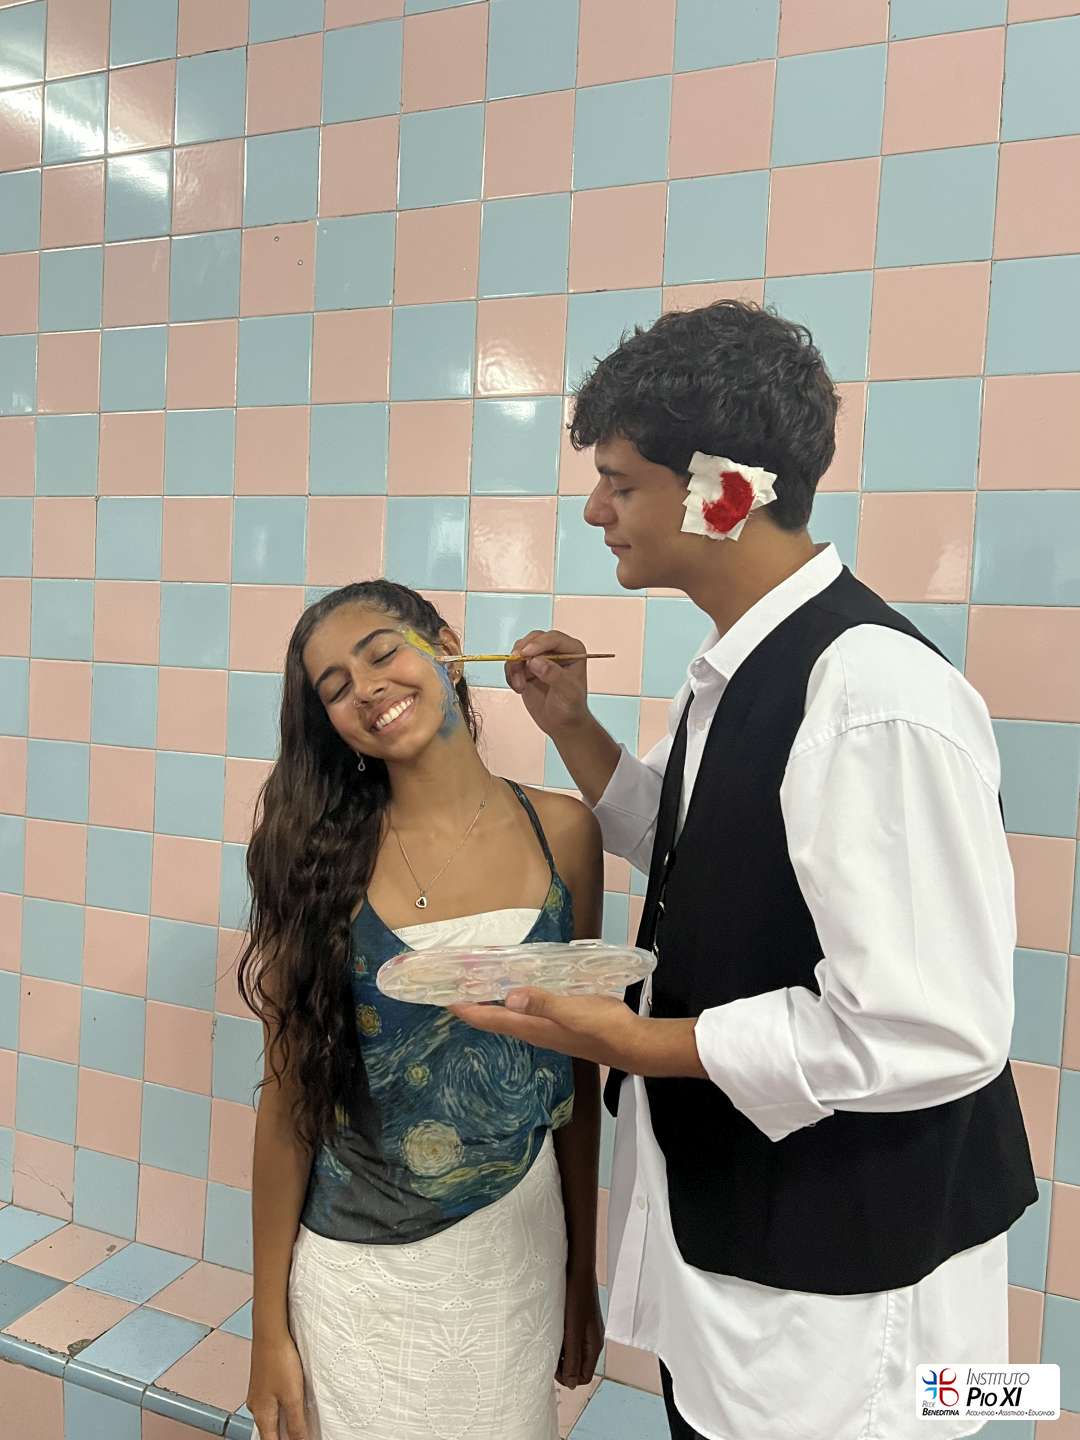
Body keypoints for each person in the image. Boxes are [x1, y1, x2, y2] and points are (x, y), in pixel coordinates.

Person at [453, 301, 1038, 1440]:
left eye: (620, 483)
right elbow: (692, 850)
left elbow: (935, 1026)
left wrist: (639, 1043)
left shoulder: (871, 696)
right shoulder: (740, 671)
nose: (595, 510)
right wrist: (571, 726)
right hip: (744, 1264)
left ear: (724, 492)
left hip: (844, 1309)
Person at [239, 580, 605, 1440]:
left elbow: (579, 1070)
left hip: (517, 1258)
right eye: (335, 688)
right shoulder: (315, 862)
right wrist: (268, 1330)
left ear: (446, 648)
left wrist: (581, 1271)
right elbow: (288, 1104)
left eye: (381, 654)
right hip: (358, 1285)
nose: (366, 689)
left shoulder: (564, 833)